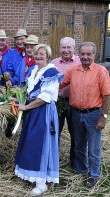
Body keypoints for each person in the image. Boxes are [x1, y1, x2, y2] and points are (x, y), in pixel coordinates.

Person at [60, 42, 110, 188]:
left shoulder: (101, 71)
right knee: (78, 146)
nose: (85, 57)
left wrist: (103, 117)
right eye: (83, 54)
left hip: (93, 115)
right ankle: (81, 170)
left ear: (94, 55)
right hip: (75, 113)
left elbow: (107, 96)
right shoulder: (72, 71)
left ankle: (93, 175)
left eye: (89, 54)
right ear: (79, 55)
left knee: (93, 149)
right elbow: (60, 84)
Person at [15, 44, 63, 196]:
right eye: (36, 54)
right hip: (33, 110)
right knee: (31, 142)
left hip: (43, 112)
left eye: (42, 54)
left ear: (48, 56)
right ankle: (33, 175)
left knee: (41, 144)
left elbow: (45, 97)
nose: (38, 56)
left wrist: (27, 107)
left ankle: (41, 184)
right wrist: (18, 99)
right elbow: (31, 92)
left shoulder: (52, 72)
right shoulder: (35, 71)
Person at [51, 37, 81, 167]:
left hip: (74, 103)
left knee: (75, 133)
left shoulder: (81, 62)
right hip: (58, 102)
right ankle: (54, 162)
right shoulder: (54, 63)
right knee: (55, 132)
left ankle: (74, 162)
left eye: (69, 47)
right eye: (63, 47)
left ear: (74, 49)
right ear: (59, 48)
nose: (66, 50)